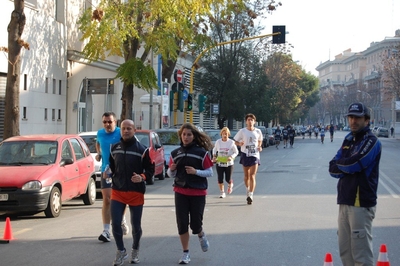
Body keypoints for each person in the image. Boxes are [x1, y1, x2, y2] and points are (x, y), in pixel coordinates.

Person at [329, 102, 382, 266]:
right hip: (345, 201)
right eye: (351, 117)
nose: (353, 121)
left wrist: (343, 164)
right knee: (346, 253)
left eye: (358, 118)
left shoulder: (372, 141)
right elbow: (332, 168)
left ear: (366, 120)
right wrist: (346, 165)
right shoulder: (348, 139)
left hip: (360, 204)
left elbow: (356, 163)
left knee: (361, 257)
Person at [108, 119, 154, 266]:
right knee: (115, 223)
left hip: (135, 192)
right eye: (123, 128)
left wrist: (142, 177)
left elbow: (150, 171)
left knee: (136, 225)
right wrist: (107, 173)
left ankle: (135, 250)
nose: (126, 131)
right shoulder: (114, 148)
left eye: (129, 128)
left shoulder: (143, 150)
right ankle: (121, 250)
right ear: (120, 130)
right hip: (118, 191)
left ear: (135, 130)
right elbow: (112, 168)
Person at [167, 123, 214, 264]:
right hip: (180, 191)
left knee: (195, 224)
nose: (186, 137)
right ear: (180, 136)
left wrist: (196, 172)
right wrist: (172, 169)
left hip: (198, 192)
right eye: (184, 134)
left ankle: (200, 234)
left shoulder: (202, 153)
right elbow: (170, 174)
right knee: (182, 224)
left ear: (193, 136)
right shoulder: (175, 153)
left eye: (189, 134)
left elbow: (210, 172)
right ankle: (185, 252)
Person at [96, 112, 129, 242]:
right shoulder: (100, 133)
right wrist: (99, 154)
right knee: (107, 200)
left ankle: (122, 220)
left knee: (122, 199)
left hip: (121, 171)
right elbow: (98, 143)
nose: (107, 124)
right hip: (106, 171)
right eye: (104, 122)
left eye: (110, 122)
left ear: (115, 122)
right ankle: (106, 231)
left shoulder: (121, 132)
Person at [234, 113, 263, 205]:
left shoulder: (258, 131)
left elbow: (260, 140)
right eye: (248, 120)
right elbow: (235, 141)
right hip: (245, 154)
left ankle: (251, 194)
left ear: (254, 122)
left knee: (252, 175)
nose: (250, 121)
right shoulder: (242, 131)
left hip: (254, 154)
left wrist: (260, 146)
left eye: (251, 120)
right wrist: (239, 144)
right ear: (246, 121)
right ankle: (247, 189)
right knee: (247, 175)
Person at [212, 127, 239, 198]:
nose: (225, 135)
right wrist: (214, 156)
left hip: (229, 164)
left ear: (228, 135)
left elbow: (236, 152)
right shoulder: (218, 142)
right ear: (221, 134)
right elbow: (214, 150)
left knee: (228, 179)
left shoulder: (231, 142)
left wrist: (231, 157)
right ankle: (222, 192)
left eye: (226, 134)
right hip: (220, 162)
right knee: (220, 178)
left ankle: (230, 184)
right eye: (223, 134)